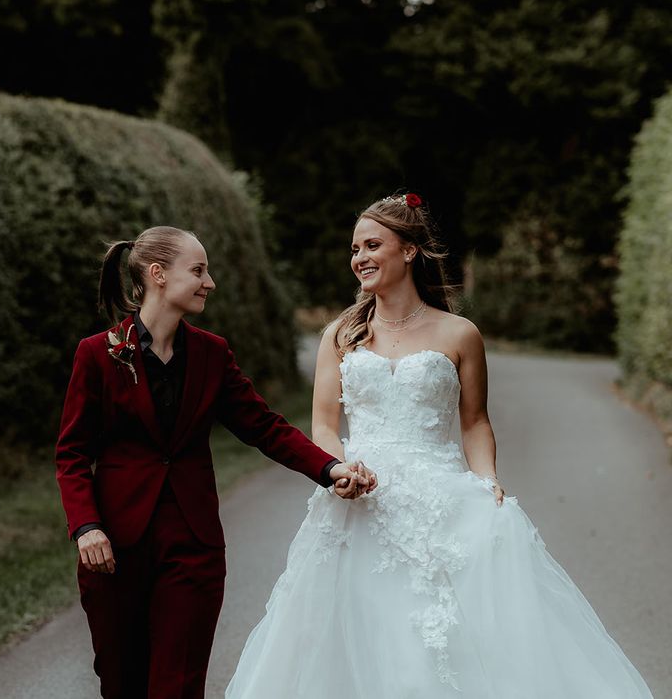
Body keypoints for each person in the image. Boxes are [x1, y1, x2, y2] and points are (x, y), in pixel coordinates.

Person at [225, 194, 655, 698]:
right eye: (354, 248)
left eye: (372, 245)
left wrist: (487, 479)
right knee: (354, 633)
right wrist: (339, 469)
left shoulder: (460, 334)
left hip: (440, 502)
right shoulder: (341, 334)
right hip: (358, 500)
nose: (359, 257)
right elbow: (323, 423)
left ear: (408, 252)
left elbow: (474, 423)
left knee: (442, 635)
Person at [54, 225, 377, 699]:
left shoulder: (211, 353)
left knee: (178, 685)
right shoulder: (97, 354)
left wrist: (330, 470)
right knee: (121, 681)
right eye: (199, 271)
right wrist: (86, 527)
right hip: (115, 548)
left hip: (193, 544)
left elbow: (263, 426)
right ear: (158, 275)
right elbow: (72, 453)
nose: (210, 282)